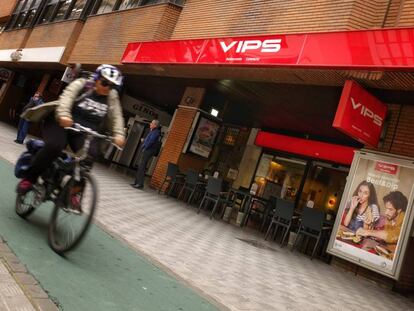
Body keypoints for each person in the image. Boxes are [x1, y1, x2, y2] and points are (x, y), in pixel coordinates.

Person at [17, 64, 126, 196]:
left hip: (84, 131)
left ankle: (74, 193)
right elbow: (66, 98)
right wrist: (64, 115)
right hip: (61, 123)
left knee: (89, 155)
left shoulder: (111, 96)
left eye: (112, 85)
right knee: (54, 146)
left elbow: (116, 116)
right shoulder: (83, 84)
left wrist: (119, 134)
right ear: (96, 79)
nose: (108, 88)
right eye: (105, 83)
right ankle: (29, 178)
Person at [131, 119, 161, 189]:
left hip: (148, 150)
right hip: (147, 149)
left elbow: (151, 141)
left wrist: (145, 147)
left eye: (152, 123)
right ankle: (136, 183)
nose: (150, 124)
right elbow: (149, 140)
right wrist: (144, 141)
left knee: (142, 167)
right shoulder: (153, 131)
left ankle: (140, 184)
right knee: (141, 166)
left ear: (155, 125)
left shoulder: (156, 132)